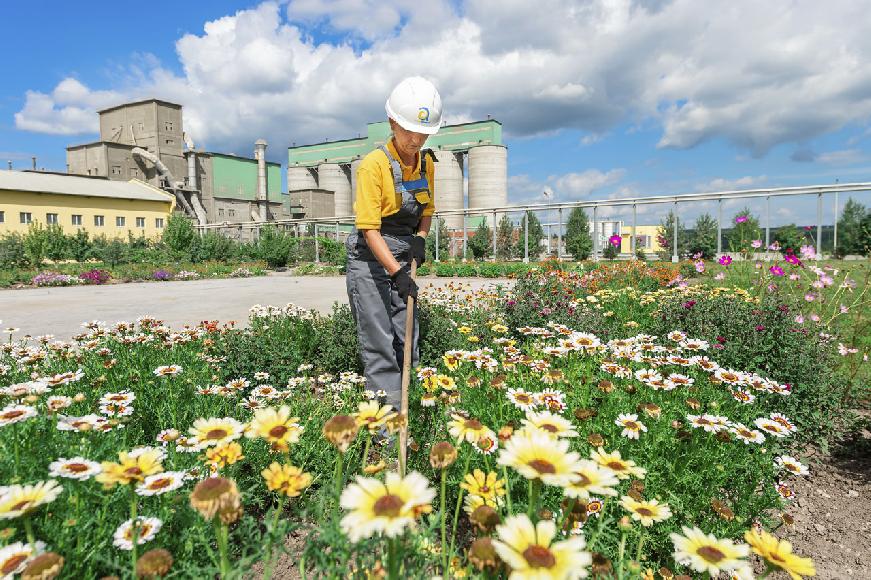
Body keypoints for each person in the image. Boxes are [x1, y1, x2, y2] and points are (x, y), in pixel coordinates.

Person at [345, 76, 442, 418]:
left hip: (402, 255)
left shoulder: (426, 163)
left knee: (408, 337)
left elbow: (426, 211)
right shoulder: (373, 165)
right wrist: (397, 273)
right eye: (409, 131)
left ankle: (409, 411)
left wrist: (421, 238)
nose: (416, 140)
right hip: (370, 259)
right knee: (380, 343)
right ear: (392, 123)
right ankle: (386, 429)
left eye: (423, 133)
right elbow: (370, 230)